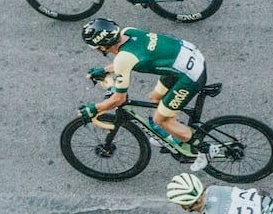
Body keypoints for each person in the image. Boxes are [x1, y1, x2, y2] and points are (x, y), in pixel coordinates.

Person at [79, 18, 209, 169]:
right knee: (155, 97)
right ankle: (172, 132)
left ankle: (203, 149)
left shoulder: (123, 58)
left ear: (101, 46)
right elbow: (132, 57)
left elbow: (119, 99)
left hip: (189, 76)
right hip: (186, 58)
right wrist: (105, 70)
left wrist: (96, 108)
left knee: (161, 120)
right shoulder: (128, 31)